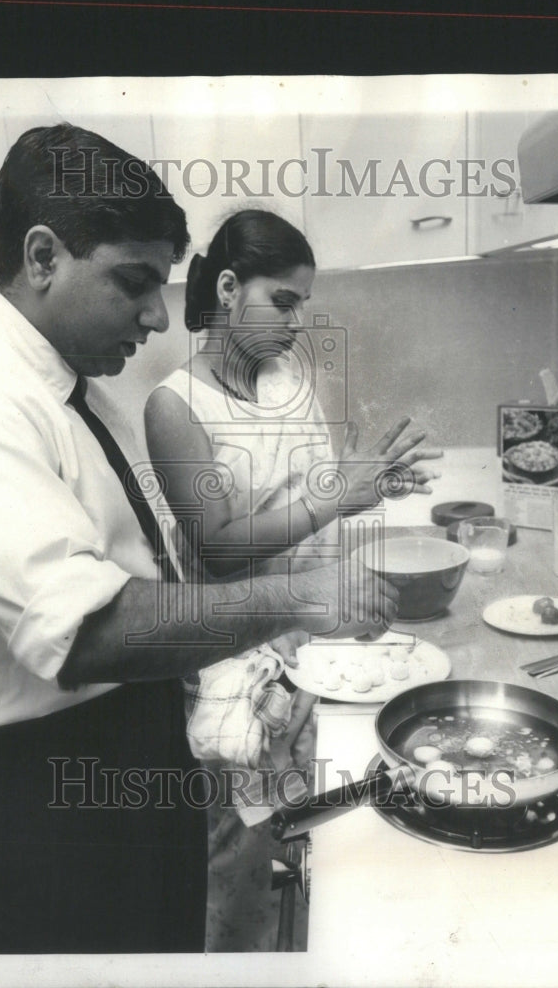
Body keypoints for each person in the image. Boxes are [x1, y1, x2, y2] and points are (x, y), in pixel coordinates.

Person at [0, 126, 397, 955]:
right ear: (43, 257)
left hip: (123, 745)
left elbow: (142, 562)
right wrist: (298, 597)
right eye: (134, 282)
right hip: (31, 793)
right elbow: (92, 630)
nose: (157, 314)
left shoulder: (74, 388)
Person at [144, 209, 441, 951]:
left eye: (303, 303)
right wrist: (338, 497)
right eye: (283, 301)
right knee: (240, 861)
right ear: (228, 288)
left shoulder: (290, 382)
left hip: (317, 650)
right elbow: (219, 545)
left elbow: (309, 500)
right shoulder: (175, 406)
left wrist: (366, 488)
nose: (297, 321)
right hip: (238, 669)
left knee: (319, 841)